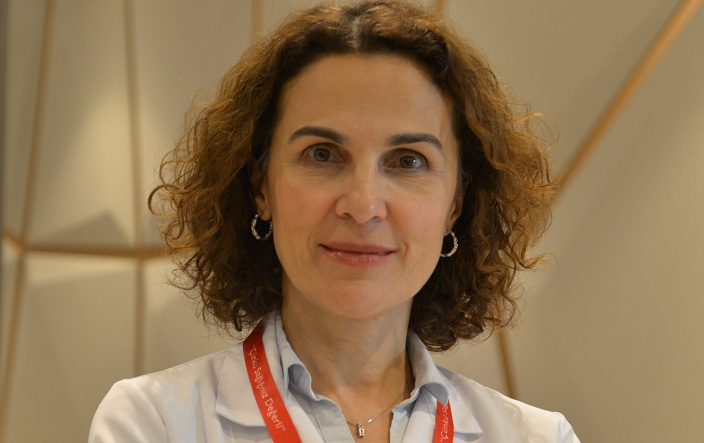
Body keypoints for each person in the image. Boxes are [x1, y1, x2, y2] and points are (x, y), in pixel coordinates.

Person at [89, 1, 579, 442]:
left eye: (408, 161)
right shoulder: (153, 423)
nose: (363, 205)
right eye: (322, 154)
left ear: (456, 204)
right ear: (261, 187)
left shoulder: (537, 437)